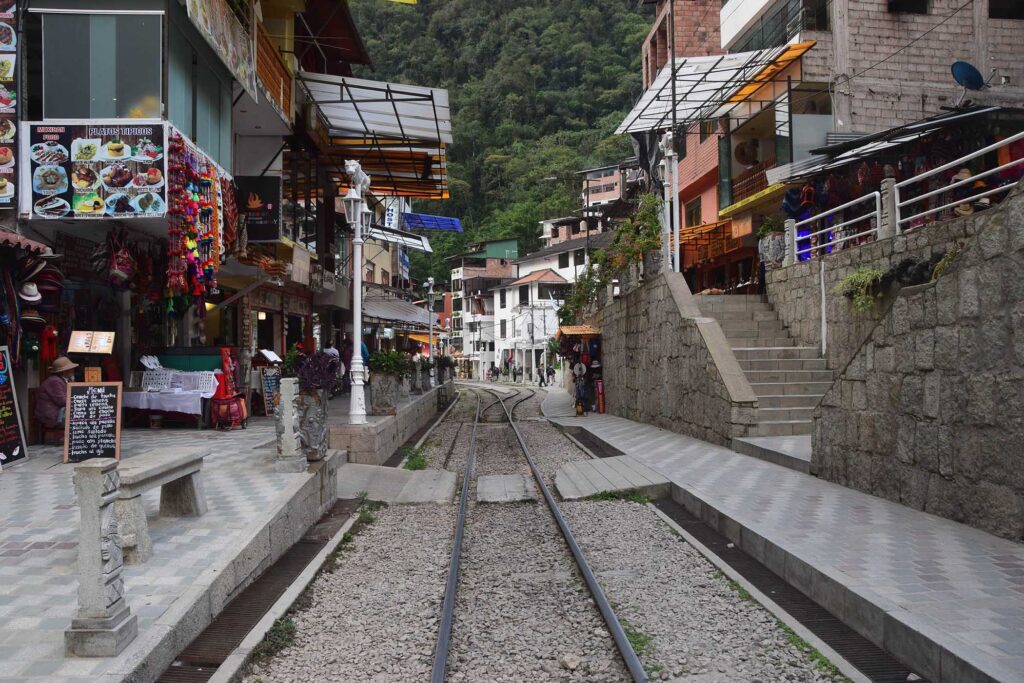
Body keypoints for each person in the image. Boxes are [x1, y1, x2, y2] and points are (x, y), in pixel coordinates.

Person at [38, 357, 77, 429]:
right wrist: (78, 402)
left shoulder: (61, 380)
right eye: (70, 369)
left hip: (57, 412)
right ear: (64, 371)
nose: (72, 370)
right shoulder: (55, 381)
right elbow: (62, 401)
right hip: (52, 415)